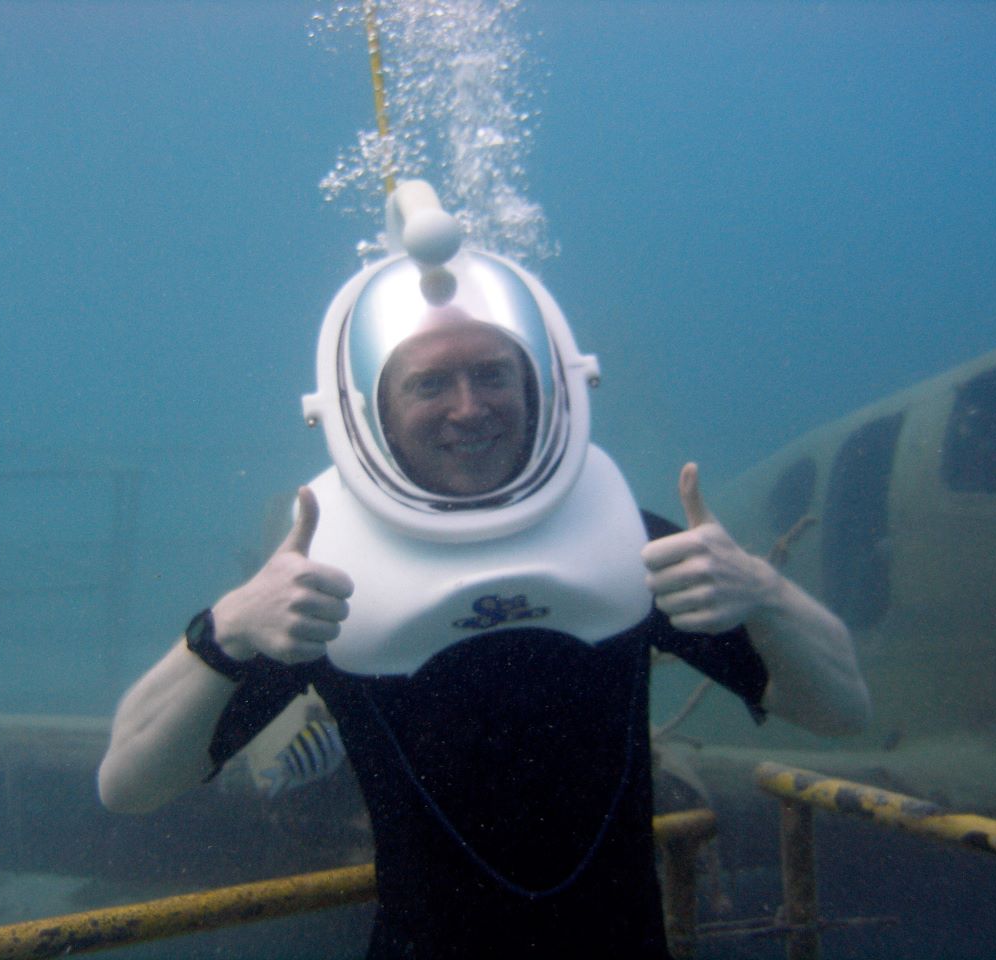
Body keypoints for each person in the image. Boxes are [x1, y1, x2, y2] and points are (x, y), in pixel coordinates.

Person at [98, 184, 870, 959]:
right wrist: (227, 629)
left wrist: (764, 596)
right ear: (369, 412)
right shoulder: (324, 578)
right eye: (429, 383)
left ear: (543, 385)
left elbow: (839, 711)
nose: (470, 408)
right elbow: (130, 783)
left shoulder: (620, 539)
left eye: (494, 375)